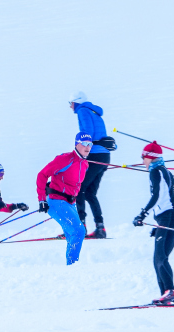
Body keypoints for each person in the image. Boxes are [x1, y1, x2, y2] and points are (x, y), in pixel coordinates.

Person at [132, 141, 174, 305]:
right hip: (169, 218)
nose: (142, 161)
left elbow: (157, 197)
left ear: (151, 157)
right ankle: (166, 294)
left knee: (160, 257)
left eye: (143, 157)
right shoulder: (164, 171)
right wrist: (158, 223)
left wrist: (142, 214)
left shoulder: (156, 172)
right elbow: (168, 199)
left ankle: (169, 292)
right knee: (159, 258)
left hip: (168, 218)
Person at [36, 132, 90, 265]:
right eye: (84, 144)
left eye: (90, 144)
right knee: (79, 231)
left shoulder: (85, 164)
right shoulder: (65, 159)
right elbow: (42, 175)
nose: (87, 147)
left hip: (70, 203)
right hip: (56, 202)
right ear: (77, 144)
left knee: (72, 235)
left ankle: (70, 265)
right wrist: (42, 199)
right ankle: (72, 265)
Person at [70, 91, 110, 239]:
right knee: (90, 193)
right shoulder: (95, 112)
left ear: (76, 102)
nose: (70, 107)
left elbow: (87, 132)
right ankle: (100, 228)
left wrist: (81, 151)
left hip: (94, 154)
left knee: (78, 188)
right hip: (104, 155)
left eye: (70, 103)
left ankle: (81, 227)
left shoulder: (83, 111)